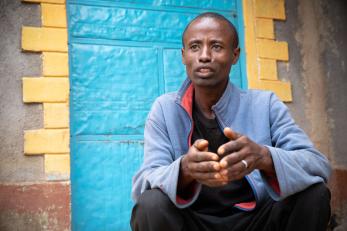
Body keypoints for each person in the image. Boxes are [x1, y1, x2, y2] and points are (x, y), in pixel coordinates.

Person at [131, 12, 331, 231]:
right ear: (183, 55)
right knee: (150, 204)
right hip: (192, 222)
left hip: (257, 221)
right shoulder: (165, 109)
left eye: (216, 46)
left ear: (235, 55)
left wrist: (264, 157)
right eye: (195, 47)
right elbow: (144, 183)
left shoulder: (265, 104)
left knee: (314, 194)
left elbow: (317, 165)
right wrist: (184, 170)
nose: (204, 55)